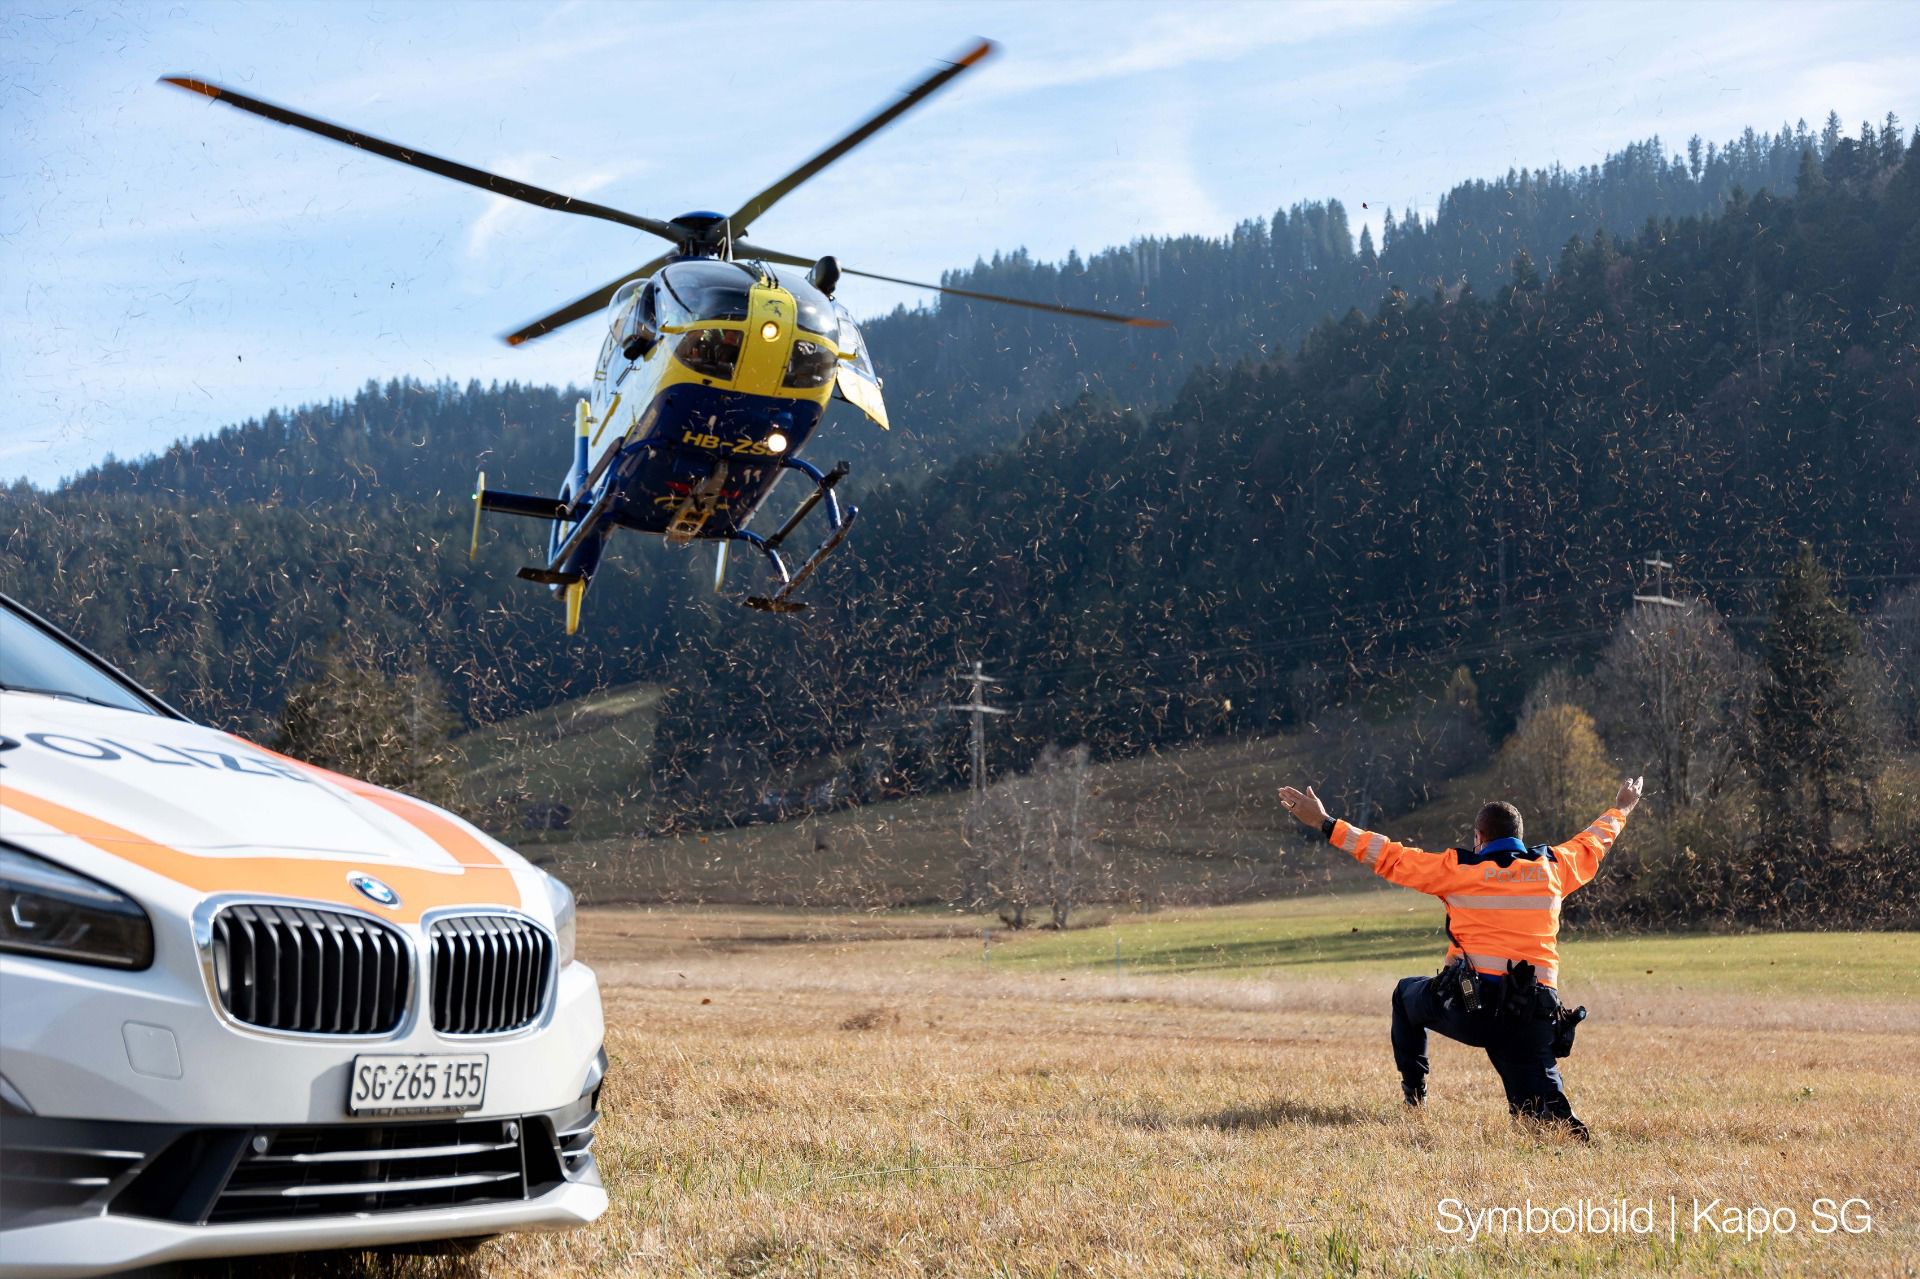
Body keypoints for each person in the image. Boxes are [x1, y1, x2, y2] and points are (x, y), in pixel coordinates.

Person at [1275, 777, 1644, 1139]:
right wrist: (1622, 807)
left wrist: (1325, 823)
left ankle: (1414, 1097)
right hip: (1532, 1017)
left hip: (1472, 1011)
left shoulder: (1458, 870)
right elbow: (1594, 841)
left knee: (1405, 995)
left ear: (1479, 837)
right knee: (1542, 1115)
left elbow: (1387, 855)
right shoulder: (1553, 867)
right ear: (1520, 835)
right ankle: (1549, 1111)